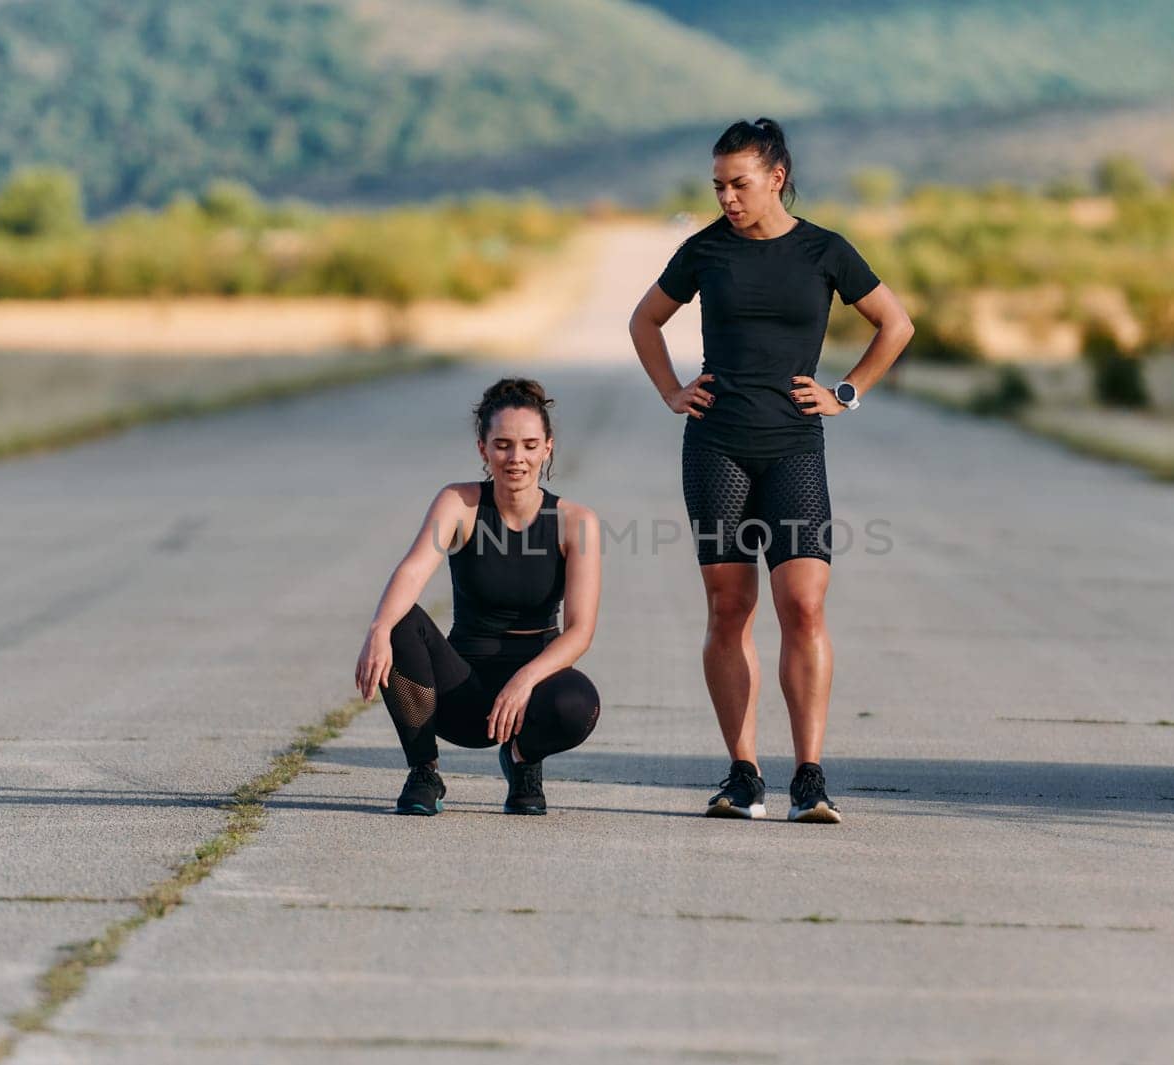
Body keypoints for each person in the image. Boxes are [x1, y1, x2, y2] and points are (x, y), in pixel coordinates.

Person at [628, 118, 914, 823]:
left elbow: (896, 323)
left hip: (794, 447)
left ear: (776, 178)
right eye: (719, 185)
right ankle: (744, 772)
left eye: (739, 184)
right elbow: (645, 321)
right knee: (730, 610)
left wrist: (845, 391)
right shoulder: (704, 252)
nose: (726, 197)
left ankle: (810, 776)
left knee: (804, 605)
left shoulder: (824, 250)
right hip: (716, 447)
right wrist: (672, 391)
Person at [354, 378, 602, 815]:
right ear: (483, 449)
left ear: (547, 447)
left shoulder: (576, 522)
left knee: (579, 704)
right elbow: (413, 569)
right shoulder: (459, 503)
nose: (516, 458)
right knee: (401, 621)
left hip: (533, 692)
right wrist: (378, 629)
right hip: (462, 691)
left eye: (528, 445)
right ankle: (424, 772)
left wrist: (524, 681)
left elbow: (580, 632)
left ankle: (523, 761)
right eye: (503, 445)